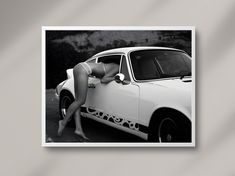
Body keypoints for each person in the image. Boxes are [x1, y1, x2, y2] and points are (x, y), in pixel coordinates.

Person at [58, 61, 119, 140]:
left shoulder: (111, 65)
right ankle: (63, 122)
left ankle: (78, 129)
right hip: (83, 69)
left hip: (80, 67)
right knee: (80, 101)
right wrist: (115, 78)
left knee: (77, 101)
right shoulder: (117, 67)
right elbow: (103, 80)